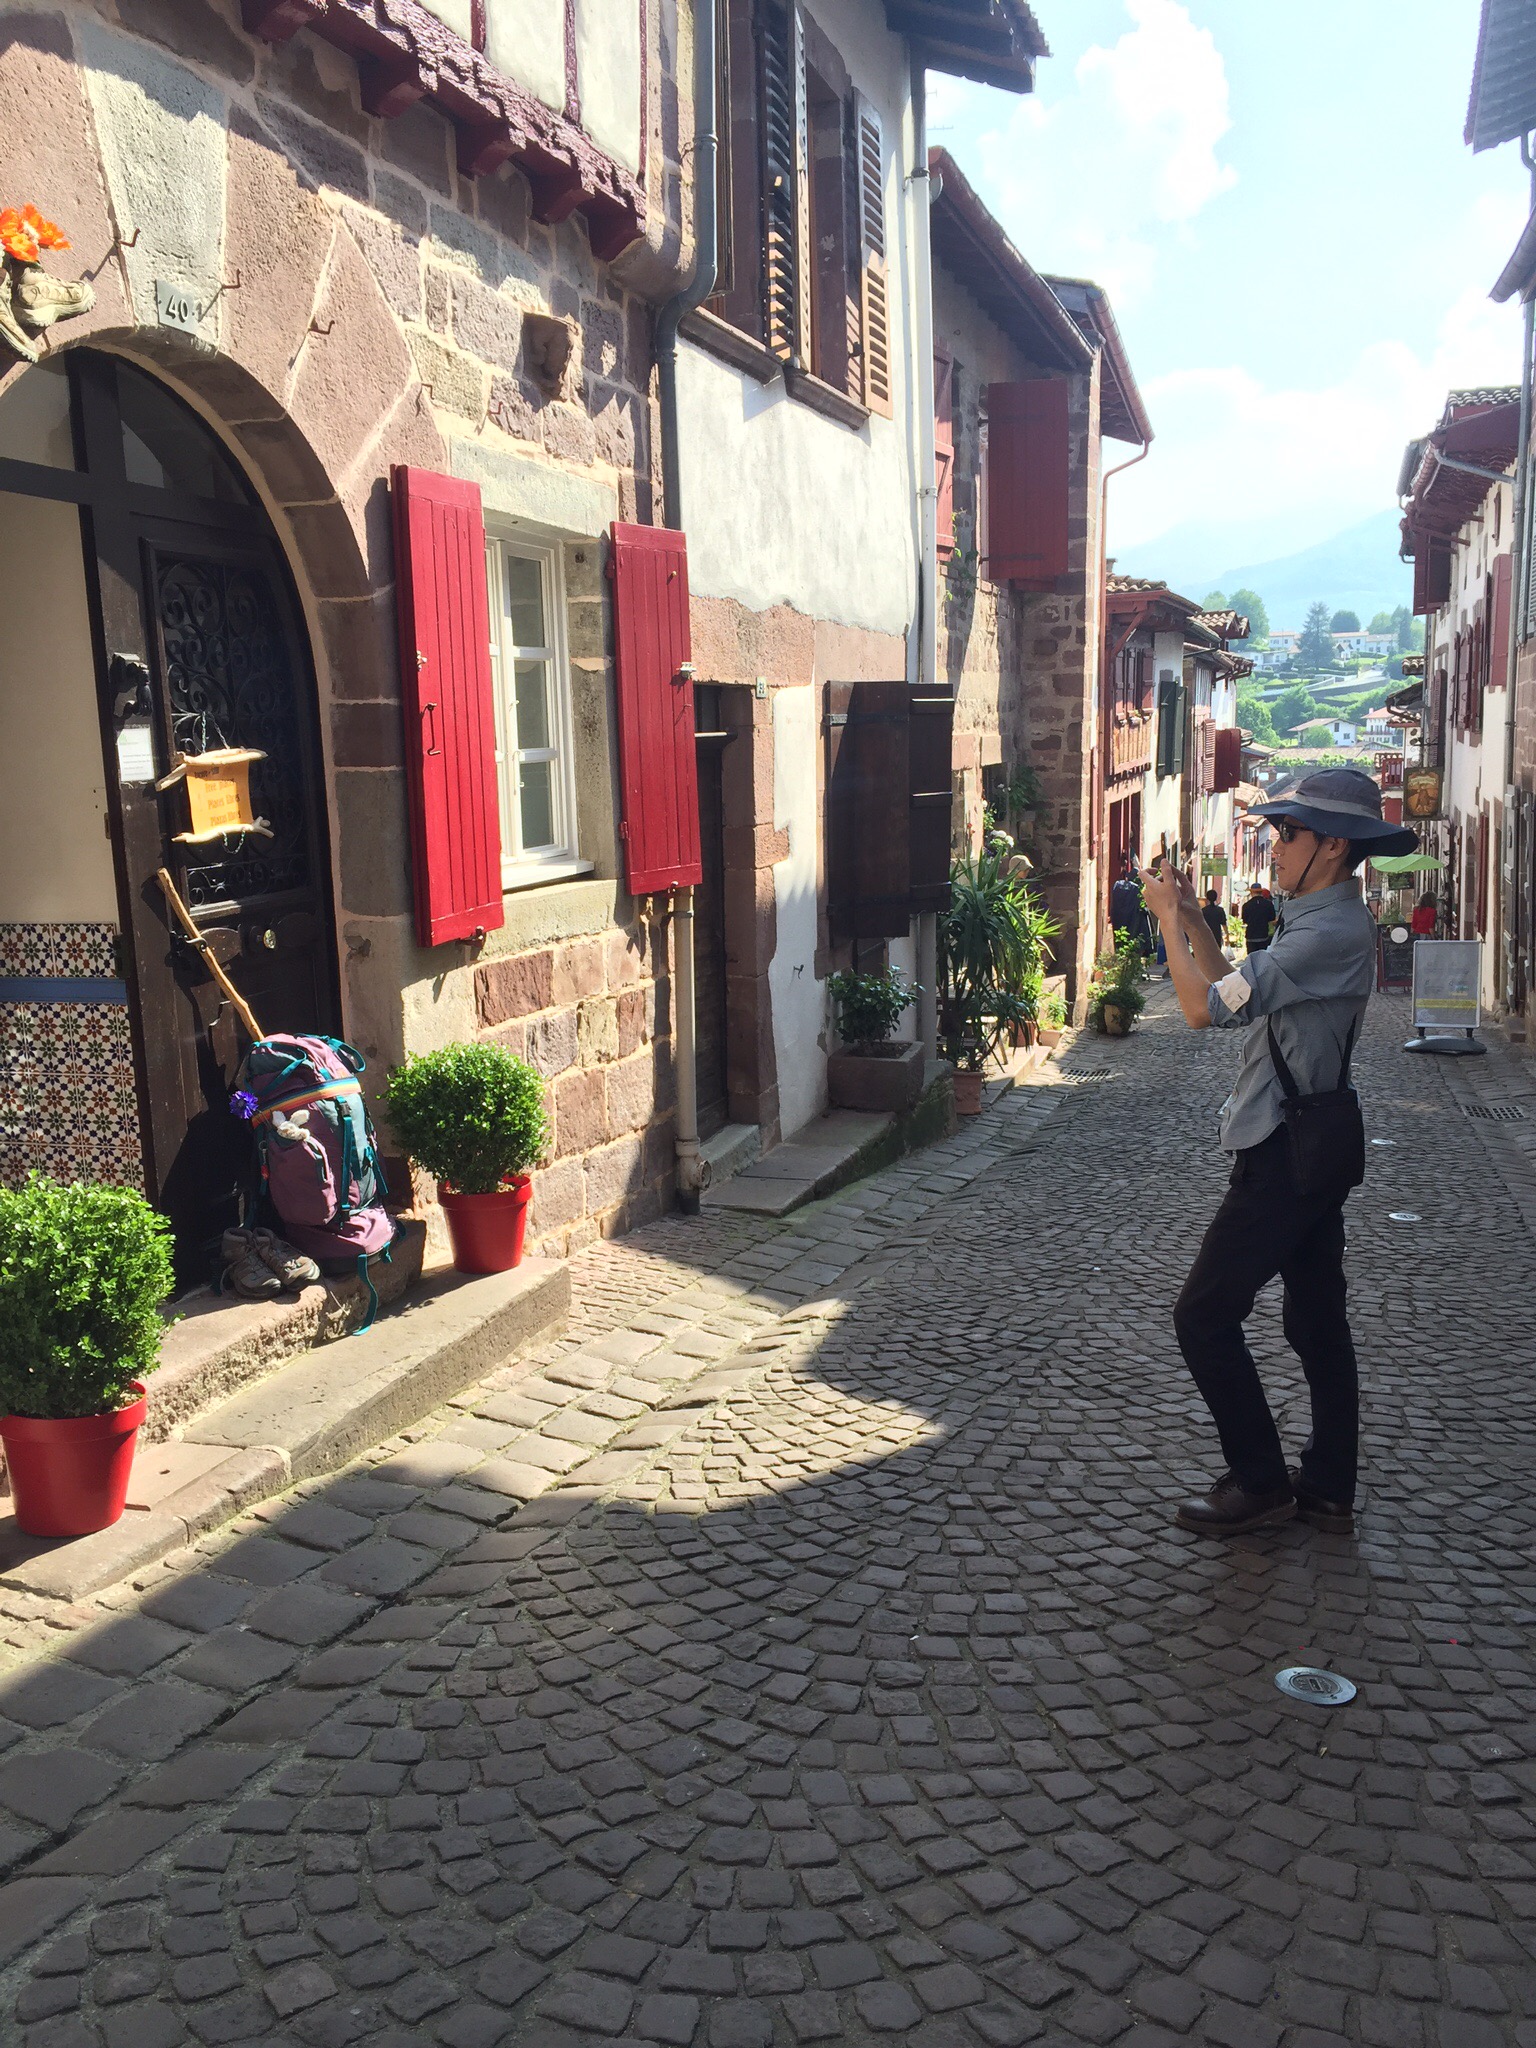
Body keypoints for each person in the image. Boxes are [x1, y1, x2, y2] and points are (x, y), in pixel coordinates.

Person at [1139, 768, 1419, 1536]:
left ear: (1332, 846)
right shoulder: (1319, 922)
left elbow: (1200, 1010)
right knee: (1316, 1323)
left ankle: (1262, 1482)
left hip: (1282, 1155)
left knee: (1203, 1315)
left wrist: (1165, 922)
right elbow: (1237, 990)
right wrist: (1192, 916)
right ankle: (1327, 1485)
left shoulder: (1327, 933)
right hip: (1309, 1145)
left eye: (1288, 833)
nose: (1276, 845)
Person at [1240, 882, 1275, 954]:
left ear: (1251, 892)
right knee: (1262, 957)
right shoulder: (1268, 904)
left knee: (1251, 957)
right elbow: (1272, 918)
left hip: (1251, 936)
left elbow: (1245, 920)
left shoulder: (1246, 905)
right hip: (1263, 935)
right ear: (1261, 892)